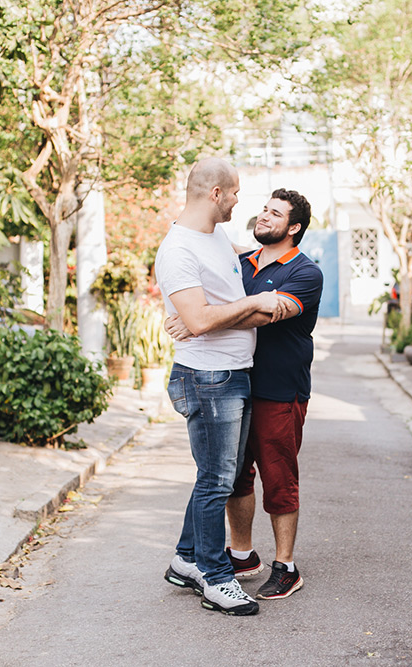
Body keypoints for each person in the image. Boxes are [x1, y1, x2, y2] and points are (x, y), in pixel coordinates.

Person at [167, 188, 322, 602]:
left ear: (294, 228)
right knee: (234, 477)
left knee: (279, 478)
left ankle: (286, 567)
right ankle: (241, 554)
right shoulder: (244, 262)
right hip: (237, 383)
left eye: (276, 214)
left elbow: (263, 314)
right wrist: (193, 315)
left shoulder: (306, 273)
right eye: (264, 210)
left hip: (279, 390)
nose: (264, 217)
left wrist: (200, 322)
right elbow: (218, 279)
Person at [154, 157, 288, 617]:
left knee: (221, 476)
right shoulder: (178, 250)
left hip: (234, 372)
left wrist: (246, 308)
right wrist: (257, 304)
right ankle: (215, 576)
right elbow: (199, 319)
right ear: (215, 194)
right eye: (234, 193)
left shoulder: (215, 238)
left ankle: (186, 558)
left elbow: (218, 311)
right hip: (209, 378)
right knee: (216, 481)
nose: (237, 202)